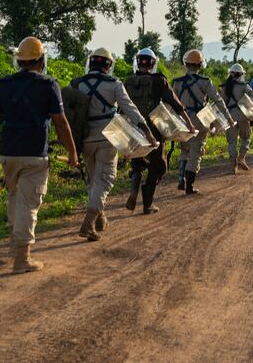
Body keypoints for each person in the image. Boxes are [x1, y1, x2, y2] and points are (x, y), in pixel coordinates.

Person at [0, 37, 78, 275]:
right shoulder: (49, 85)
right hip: (34, 154)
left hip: (8, 152)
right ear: (41, 60)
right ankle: (22, 258)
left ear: (19, 61)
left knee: (15, 197)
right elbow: (61, 123)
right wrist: (72, 152)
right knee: (29, 204)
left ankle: (15, 245)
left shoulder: (3, 85)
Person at [72, 48, 155, 240]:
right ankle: (89, 221)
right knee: (106, 178)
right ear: (108, 66)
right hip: (108, 136)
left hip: (84, 138)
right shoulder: (114, 84)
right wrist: (146, 131)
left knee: (94, 180)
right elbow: (130, 109)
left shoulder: (76, 84)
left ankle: (100, 218)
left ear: (91, 63)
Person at [124, 48, 195, 213]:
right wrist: (189, 125)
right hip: (154, 128)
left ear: (137, 61)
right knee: (158, 166)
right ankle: (148, 204)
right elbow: (177, 105)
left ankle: (134, 189)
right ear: (153, 63)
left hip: (133, 126)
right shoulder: (159, 80)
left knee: (137, 161)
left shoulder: (128, 80)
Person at [173, 49, 233, 194]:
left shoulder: (177, 82)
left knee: (185, 149)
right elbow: (218, 100)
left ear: (186, 64)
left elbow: (172, 104)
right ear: (200, 65)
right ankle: (189, 186)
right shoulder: (205, 82)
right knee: (196, 151)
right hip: (199, 120)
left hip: (182, 119)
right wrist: (228, 118)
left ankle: (181, 178)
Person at [221, 63, 253, 174]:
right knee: (245, 138)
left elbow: (221, 103)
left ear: (230, 73)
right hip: (243, 115)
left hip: (229, 116)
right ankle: (242, 158)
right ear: (241, 74)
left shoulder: (225, 86)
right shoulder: (244, 86)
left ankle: (233, 165)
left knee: (232, 141)